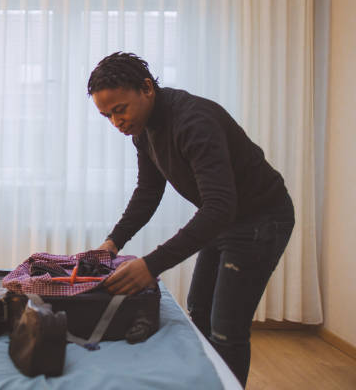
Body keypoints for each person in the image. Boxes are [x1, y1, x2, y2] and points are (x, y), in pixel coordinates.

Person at [88, 52, 295, 388]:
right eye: (106, 115)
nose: (116, 122)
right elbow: (148, 192)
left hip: (261, 220)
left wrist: (151, 265)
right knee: (197, 315)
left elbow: (219, 206)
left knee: (226, 330)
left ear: (146, 88)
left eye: (120, 109)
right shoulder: (143, 129)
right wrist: (113, 242)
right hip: (225, 218)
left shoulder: (193, 121)